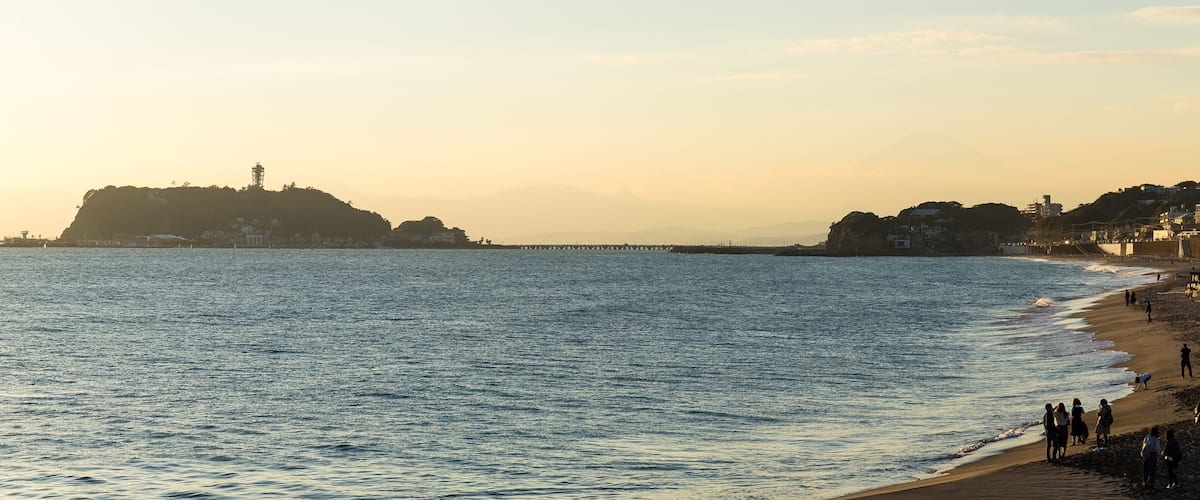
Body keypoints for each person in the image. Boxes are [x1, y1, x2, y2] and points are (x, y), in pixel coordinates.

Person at [1142, 426, 1162, 490]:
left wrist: (1143, 454)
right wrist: (1158, 454)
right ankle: (1151, 484)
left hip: (1146, 455)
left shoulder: (1146, 438)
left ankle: (1145, 482)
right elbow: (1157, 448)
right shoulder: (1156, 439)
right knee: (1152, 470)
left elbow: (1143, 447)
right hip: (1153, 455)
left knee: (1146, 470)